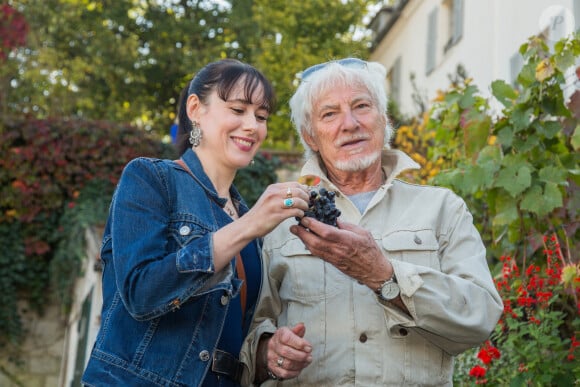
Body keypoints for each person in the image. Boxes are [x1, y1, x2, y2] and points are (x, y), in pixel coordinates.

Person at [240, 58, 504, 386]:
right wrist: (266, 353)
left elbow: (481, 318)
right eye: (329, 113)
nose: (349, 124)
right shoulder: (280, 222)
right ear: (310, 136)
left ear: (384, 119)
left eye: (361, 106)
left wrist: (384, 275)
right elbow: (244, 334)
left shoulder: (442, 209)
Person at [81, 59, 311, 387]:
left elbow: (227, 339)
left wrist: (267, 355)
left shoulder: (250, 219)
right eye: (238, 109)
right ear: (195, 108)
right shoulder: (150, 178)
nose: (252, 126)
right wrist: (248, 226)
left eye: (261, 117)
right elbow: (141, 293)